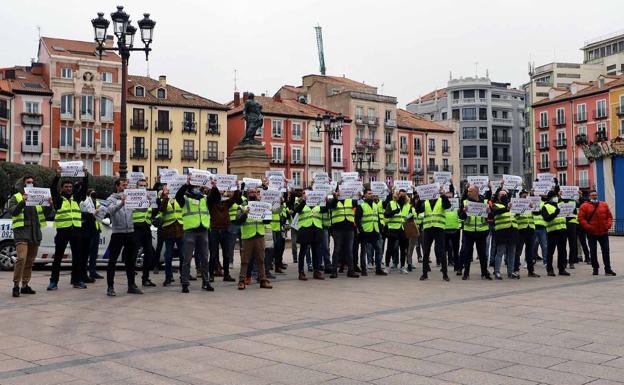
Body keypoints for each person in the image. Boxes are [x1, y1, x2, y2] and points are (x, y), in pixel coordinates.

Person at [9, 176, 54, 297]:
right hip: (21, 232)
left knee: (29, 261)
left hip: (35, 233)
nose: (31, 184)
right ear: (23, 184)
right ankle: (16, 285)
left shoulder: (38, 196)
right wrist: (23, 201)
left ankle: (25, 285)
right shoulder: (16, 197)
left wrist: (50, 205)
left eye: (32, 183)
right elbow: (13, 212)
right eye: (28, 182)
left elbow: (46, 213)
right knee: (21, 259)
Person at [48, 166, 89, 290]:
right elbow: (52, 189)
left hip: (76, 231)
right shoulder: (58, 199)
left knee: (78, 258)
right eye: (66, 187)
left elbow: (84, 189)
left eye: (70, 187)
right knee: (58, 258)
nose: (69, 189)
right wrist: (57, 176)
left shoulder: (76, 198)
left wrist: (85, 176)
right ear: (62, 188)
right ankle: (53, 282)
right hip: (62, 232)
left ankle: (76, 281)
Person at [105, 178, 143, 296]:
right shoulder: (111, 199)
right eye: (123, 184)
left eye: (126, 184)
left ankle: (131, 285)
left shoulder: (130, 196)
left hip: (130, 232)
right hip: (118, 233)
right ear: (117, 186)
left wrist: (146, 202)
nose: (125, 186)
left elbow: (141, 209)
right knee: (112, 261)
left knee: (131, 261)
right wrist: (122, 203)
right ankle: (110, 287)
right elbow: (111, 211)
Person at [175, 178, 212, 293]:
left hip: (203, 231)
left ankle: (206, 282)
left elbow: (216, 198)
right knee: (187, 259)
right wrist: (186, 184)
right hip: (190, 231)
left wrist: (213, 186)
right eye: (194, 185)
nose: (197, 187)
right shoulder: (185, 198)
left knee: (205, 259)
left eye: (198, 185)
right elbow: (178, 196)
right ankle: (185, 283)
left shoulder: (204, 198)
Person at [236, 186, 273, 290]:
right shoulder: (242, 206)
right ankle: (242, 280)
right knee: (245, 260)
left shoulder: (262, 205)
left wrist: (268, 212)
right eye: (251, 192)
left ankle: (263, 280)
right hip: (248, 236)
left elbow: (267, 221)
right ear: (248, 193)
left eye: (255, 192)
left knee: (261, 259)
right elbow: (238, 220)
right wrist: (245, 213)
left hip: (259, 234)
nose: (253, 193)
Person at [207, 179, 242, 283]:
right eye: (220, 191)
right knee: (213, 254)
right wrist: (214, 187)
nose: (222, 192)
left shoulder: (226, 203)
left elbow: (235, 198)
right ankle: (211, 275)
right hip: (214, 230)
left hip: (225, 230)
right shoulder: (211, 203)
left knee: (226, 254)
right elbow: (210, 197)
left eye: (222, 190)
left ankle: (226, 275)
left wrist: (236, 188)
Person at [416, 187, 451, 281]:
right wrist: (420, 199)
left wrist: (443, 195)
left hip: (439, 229)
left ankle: (445, 274)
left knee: (442, 251)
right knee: (426, 252)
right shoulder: (426, 201)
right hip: (428, 229)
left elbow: (448, 206)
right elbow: (418, 210)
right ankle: (424, 274)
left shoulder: (441, 200)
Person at [578, 190, 616, 276]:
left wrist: (608, 225)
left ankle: (608, 269)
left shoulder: (604, 204)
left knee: (606, 251)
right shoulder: (584, 206)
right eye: (592, 195)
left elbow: (609, 216)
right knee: (593, 251)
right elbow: (581, 219)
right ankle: (595, 268)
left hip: (603, 232)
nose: (594, 196)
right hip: (592, 233)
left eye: (595, 195)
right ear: (589, 196)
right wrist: (588, 227)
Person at [458, 184, 492, 280]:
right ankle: (466, 273)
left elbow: (491, 216)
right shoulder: (465, 202)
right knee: (467, 253)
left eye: (470, 191)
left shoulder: (485, 201)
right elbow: (460, 216)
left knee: (482, 254)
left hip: (482, 232)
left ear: (476, 192)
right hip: (469, 232)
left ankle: (484, 272)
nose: (468, 193)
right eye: (468, 191)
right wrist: (464, 211)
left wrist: (489, 212)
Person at [291, 189, 324, 280]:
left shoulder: (318, 203)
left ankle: (316, 271)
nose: (308, 195)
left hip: (316, 228)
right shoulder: (299, 202)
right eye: (305, 193)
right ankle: (301, 272)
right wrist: (304, 201)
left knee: (316, 251)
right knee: (303, 251)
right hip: (305, 229)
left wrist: (326, 201)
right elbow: (297, 210)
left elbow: (325, 209)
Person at [327, 188, 359, 278]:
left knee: (349, 250)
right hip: (337, 229)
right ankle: (334, 271)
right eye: (340, 191)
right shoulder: (333, 201)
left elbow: (359, 204)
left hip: (349, 228)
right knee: (337, 249)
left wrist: (359, 196)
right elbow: (331, 206)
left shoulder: (350, 200)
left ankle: (351, 271)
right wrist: (335, 198)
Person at [355, 188, 386, 276]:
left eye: (372, 193)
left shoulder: (375, 205)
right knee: (364, 251)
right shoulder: (361, 206)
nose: (371, 195)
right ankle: (364, 270)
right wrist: (361, 230)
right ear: (364, 195)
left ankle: (378, 269)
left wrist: (380, 229)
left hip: (375, 231)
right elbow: (357, 219)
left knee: (379, 250)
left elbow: (378, 218)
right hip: (365, 232)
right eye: (369, 193)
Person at [158, 185, 184, 286]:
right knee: (168, 256)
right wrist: (165, 197)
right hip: (168, 232)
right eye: (166, 189)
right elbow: (162, 209)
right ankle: (168, 277)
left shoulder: (178, 199)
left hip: (180, 231)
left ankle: (183, 276)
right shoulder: (162, 199)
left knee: (183, 255)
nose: (168, 190)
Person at [132, 179, 156, 287]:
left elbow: (153, 211)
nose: (142, 187)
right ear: (137, 187)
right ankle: (131, 280)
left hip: (146, 228)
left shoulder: (149, 197)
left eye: (144, 185)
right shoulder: (132, 198)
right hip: (136, 228)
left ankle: (145, 278)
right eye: (140, 185)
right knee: (133, 254)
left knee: (149, 254)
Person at [491, 189, 519, 280]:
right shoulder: (495, 205)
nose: (503, 196)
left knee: (512, 253)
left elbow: (517, 215)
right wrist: (507, 208)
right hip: (502, 232)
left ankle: (510, 272)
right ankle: (497, 271)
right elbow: (496, 212)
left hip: (512, 231)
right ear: (498, 196)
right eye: (501, 194)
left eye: (505, 194)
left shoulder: (511, 205)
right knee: (500, 252)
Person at [542, 190, 570, 277]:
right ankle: (549, 270)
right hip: (552, 231)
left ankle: (562, 269)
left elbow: (566, 217)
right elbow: (546, 218)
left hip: (562, 231)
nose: (556, 198)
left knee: (562, 251)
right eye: (555, 196)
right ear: (550, 198)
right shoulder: (545, 206)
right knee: (550, 251)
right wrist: (555, 213)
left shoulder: (560, 205)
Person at [384, 189, 411, 273]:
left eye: (404, 195)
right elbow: (386, 215)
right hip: (393, 229)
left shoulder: (408, 205)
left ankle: (402, 267)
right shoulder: (391, 203)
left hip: (403, 229)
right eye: (401, 195)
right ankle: (387, 266)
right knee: (390, 248)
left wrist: (409, 217)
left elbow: (410, 215)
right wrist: (394, 212)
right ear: (397, 195)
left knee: (403, 249)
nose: (403, 197)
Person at [514, 190, 539, 278]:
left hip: (530, 230)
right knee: (518, 252)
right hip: (521, 230)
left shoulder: (530, 205)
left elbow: (537, 212)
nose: (525, 197)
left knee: (530, 252)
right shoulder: (516, 205)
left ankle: (531, 271)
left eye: (526, 196)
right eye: (524, 196)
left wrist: (533, 207)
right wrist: (519, 210)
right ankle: (516, 270)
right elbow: (514, 215)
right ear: (520, 197)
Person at [79, 188, 103, 282]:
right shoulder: (84, 202)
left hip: (96, 230)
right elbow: (85, 215)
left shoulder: (97, 203)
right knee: (86, 253)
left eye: (94, 194)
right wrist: (94, 212)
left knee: (94, 253)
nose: (94, 196)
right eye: (92, 194)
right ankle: (83, 273)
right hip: (87, 230)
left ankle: (93, 272)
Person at [444, 191, 461, 275]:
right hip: (444, 229)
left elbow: (460, 216)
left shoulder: (457, 205)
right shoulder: (443, 205)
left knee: (455, 249)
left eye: (451, 197)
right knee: (445, 249)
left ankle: (457, 266)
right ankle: (445, 266)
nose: (449, 199)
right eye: (447, 198)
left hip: (455, 229)